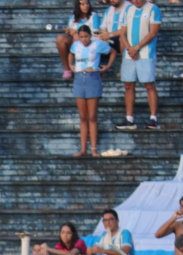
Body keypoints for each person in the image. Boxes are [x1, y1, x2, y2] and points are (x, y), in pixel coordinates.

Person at [70, 25, 113, 158]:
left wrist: (107, 66)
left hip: (93, 77)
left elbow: (112, 52)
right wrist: (70, 66)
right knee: (83, 117)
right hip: (79, 78)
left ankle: (94, 149)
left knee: (92, 116)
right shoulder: (76, 45)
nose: (84, 39)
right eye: (81, 37)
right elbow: (70, 53)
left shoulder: (97, 45)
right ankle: (83, 149)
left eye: (86, 37)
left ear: (90, 36)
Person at [117, 0, 161, 130]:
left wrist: (136, 48)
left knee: (149, 85)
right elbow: (122, 33)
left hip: (146, 54)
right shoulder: (128, 9)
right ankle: (129, 119)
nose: (135, 1)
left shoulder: (153, 9)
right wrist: (129, 49)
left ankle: (153, 118)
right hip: (129, 54)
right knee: (128, 85)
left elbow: (153, 32)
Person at [57, 0, 98, 79]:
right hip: (74, 41)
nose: (86, 6)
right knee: (60, 38)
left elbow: (95, 33)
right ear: (78, 6)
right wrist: (69, 32)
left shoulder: (94, 16)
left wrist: (76, 32)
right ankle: (67, 69)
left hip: (89, 41)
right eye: (83, 4)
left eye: (87, 3)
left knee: (76, 36)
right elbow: (70, 30)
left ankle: (78, 67)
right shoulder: (73, 17)